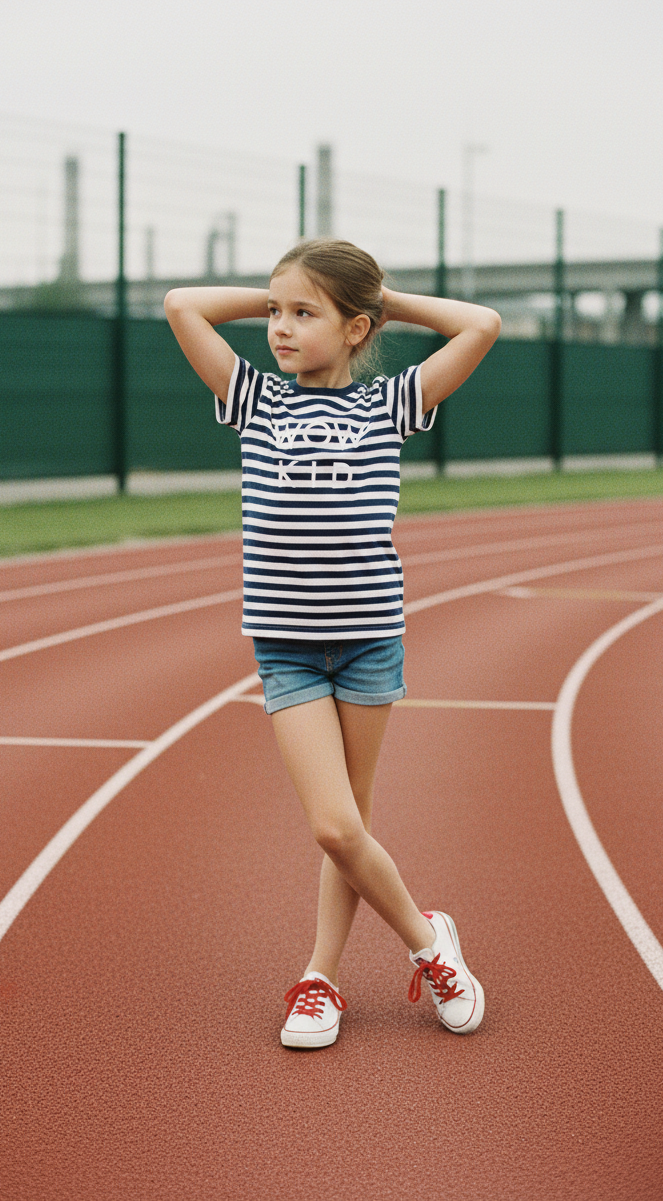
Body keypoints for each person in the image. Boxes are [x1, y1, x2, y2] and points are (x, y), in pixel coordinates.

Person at [164, 239, 501, 1048]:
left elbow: (481, 324)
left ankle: (320, 980)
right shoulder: (253, 398)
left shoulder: (389, 404)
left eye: (302, 314)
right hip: (285, 645)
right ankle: (430, 942)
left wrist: (381, 302)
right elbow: (183, 304)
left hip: (368, 641)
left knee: (350, 820)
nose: (278, 328)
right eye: (274, 312)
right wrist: (281, 292)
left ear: (357, 328)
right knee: (333, 828)